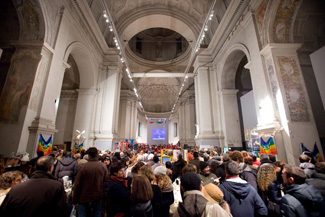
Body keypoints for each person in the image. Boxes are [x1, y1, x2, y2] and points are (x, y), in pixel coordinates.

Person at [1, 156, 69, 217]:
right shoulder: (56, 187)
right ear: (51, 168)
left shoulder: (16, 188)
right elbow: (62, 212)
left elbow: (5, 210)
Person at [72, 147, 109, 217]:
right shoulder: (103, 166)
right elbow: (106, 182)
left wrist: (74, 200)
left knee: (82, 214)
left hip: (84, 196)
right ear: (97, 155)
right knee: (97, 214)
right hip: (98, 195)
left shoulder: (84, 167)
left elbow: (77, 184)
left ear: (89, 155)